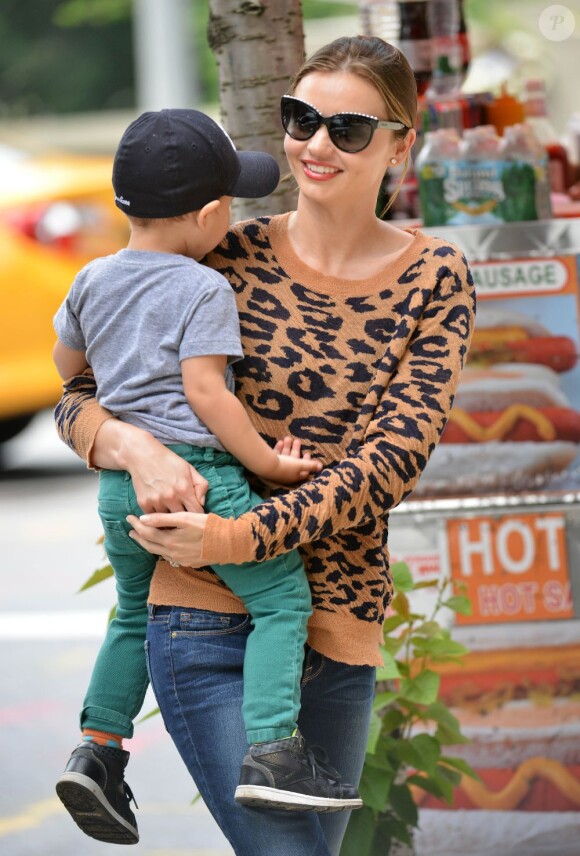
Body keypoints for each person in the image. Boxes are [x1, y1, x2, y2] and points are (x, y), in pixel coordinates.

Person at [54, 36, 476, 856]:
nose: (315, 145)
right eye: (300, 118)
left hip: (338, 624)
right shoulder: (224, 256)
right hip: (203, 617)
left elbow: (392, 461)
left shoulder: (436, 274)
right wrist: (134, 450)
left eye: (347, 128)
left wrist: (238, 535)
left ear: (400, 143)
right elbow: (79, 394)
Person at [53, 108, 362, 846]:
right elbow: (206, 393)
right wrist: (265, 461)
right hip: (204, 478)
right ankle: (274, 748)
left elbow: (70, 370)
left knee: (132, 609)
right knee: (284, 602)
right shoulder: (202, 289)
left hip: (119, 487)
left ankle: (99, 747)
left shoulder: (92, 278)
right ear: (212, 212)